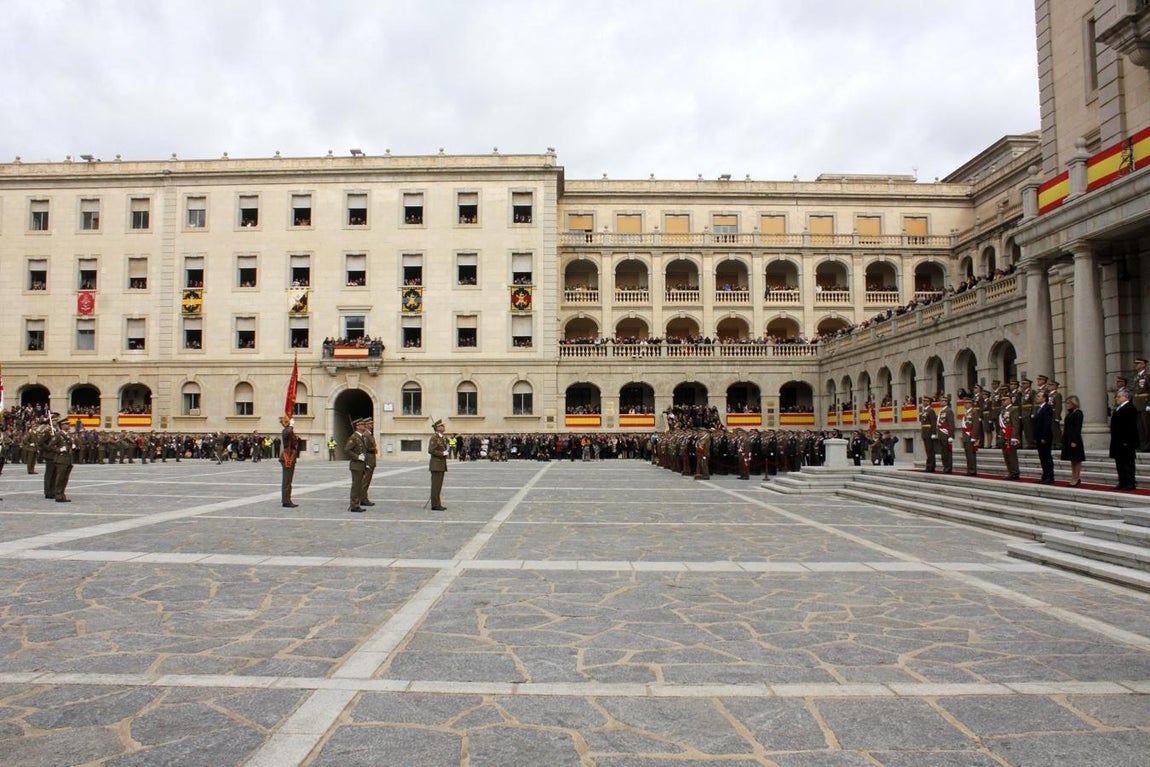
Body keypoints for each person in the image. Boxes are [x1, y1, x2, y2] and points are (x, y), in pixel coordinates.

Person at [1110, 389, 1139, 490]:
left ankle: (1130, 482)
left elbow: (1131, 427)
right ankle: (1122, 481)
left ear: (1126, 397)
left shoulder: (1130, 408)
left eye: (1119, 397)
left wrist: (1127, 440)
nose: (1117, 398)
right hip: (1117, 441)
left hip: (1126, 440)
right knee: (1120, 462)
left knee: (1128, 463)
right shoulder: (1118, 408)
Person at [1060, 395, 1085, 487]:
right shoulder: (1069, 413)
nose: (1067, 405)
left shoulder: (1078, 413)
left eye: (1069, 403)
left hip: (1075, 439)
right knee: (1072, 459)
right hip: (1068, 438)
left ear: (1074, 403)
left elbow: (1077, 428)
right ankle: (1073, 477)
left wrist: (1074, 441)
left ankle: (1076, 477)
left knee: (1077, 459)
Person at [344, 419, 368, 512]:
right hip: (356, 465)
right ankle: (354, 505)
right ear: (357, 426)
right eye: (362, 425)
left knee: (359, 485)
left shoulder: (360, 437)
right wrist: (357, 457)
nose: (364, 426)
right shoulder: (353, 437)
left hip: (361, 465)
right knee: (356, 486)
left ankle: (356, 504)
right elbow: (347, 450)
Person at [1033, 391, 1055, 484]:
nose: (1037, 398)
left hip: (1044, 437)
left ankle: (1050, 476)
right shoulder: (1039, 408)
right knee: (1042, 457)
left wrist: (1044, 437)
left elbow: (1047, 424)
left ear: (1044, 398)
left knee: (1047, 457)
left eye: (1039, 396)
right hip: (1039, 436)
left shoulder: (1047, 408)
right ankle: (1045, 475)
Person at [428, 418, 448, 510]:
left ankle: (438, 503)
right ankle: (435, 505)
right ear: (437, 428)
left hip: (441, 465)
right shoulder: (434, 437)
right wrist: (442, 453)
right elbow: (431, 450)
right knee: (436, 486)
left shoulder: (441, 438)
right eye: (441, 425)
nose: (443, 426)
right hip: (436, 465)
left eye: (443, 425)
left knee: (438, 486)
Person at [279, 415, 298, 507]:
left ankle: (287, 499)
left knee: (289, 480)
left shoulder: (289, 431)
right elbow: (288, 432)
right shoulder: (286, 431)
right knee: (287, 480)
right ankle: (286, 501)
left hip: (291, 456)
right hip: (288, 457)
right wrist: (291, 425)